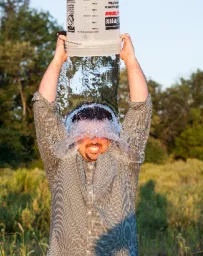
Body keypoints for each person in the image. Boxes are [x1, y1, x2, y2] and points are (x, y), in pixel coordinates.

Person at [33, 33, 151, 255]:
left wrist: (131, 61)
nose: (94, 139)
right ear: (73, 137)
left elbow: (140, 110)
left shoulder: (124, 161)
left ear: (112, 136)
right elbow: (43, 111)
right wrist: (58, 60)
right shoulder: (60, 162)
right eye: (86, 132)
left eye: (101, 132)